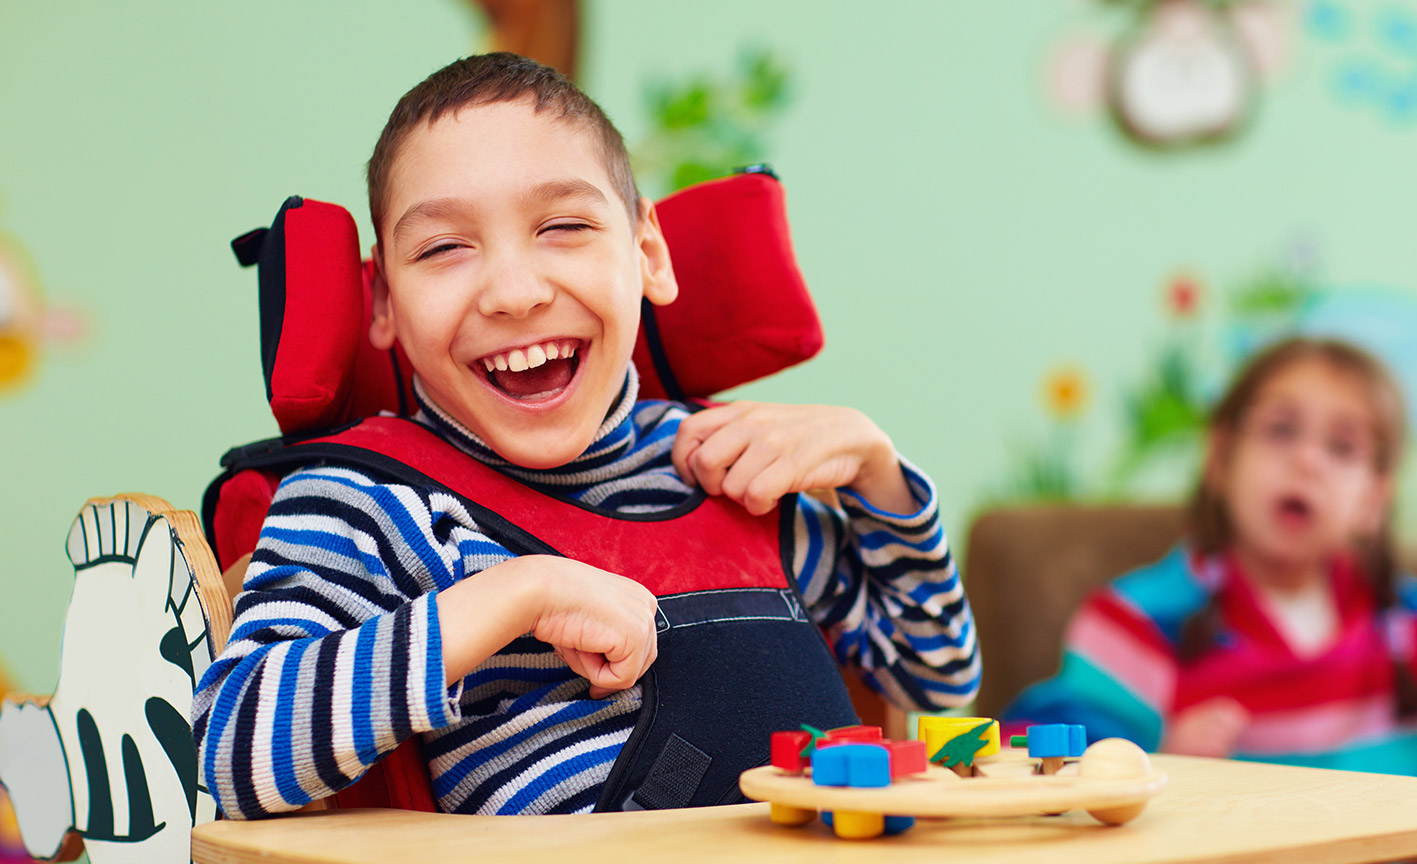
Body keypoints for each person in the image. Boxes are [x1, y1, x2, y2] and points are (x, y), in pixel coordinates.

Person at [193, 53, 979, 819]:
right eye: (443, 248)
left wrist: (880, 474)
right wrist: (511, 595)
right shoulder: (371, 499)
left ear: (647, 254)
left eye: (563, 226)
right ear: (384, 304)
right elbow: (223, 753)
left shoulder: (728, 467)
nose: (514, 292)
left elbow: (936, 682)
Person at [1003, 337, 1417, 790]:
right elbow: (1036, 748)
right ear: (1219, 458)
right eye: (1281, 430)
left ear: (1374, 499)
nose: (1307, 461)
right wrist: (1156, 757)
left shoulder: (1410, 624)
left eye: (1342, 447)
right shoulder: (1138, 621)